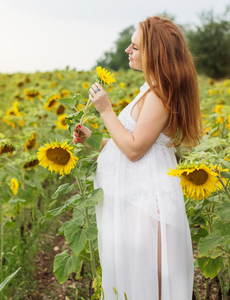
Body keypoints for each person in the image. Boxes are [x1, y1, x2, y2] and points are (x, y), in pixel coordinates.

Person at [73, 15, 202, 300]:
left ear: (154, 53)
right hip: (138, 200)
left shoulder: (159, 95)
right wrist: (94, 139)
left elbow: (134, 150)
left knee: (151, 286)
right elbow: (134, 143)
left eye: (135, 47)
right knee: (140, 283)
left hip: (149, 204)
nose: (127, 51)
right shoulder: (150, 90)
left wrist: (106, 111)